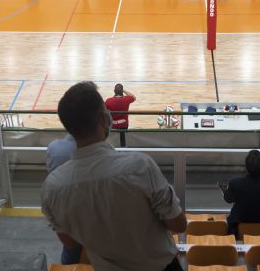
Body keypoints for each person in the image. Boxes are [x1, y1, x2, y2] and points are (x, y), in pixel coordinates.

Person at [41, 82, 186, 271]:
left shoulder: (51, 188)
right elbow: (178, 224)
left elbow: (69, 242)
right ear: (104, 118)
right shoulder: (140, 166)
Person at [219, 150, 260, 236]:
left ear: (247, 166)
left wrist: (225, 191)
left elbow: (228, 199)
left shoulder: (235, 183)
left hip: (238, 226)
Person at [45, 132, 79, 264]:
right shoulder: (106, 154)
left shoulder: (54, 148)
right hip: (94, 221)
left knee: (71, 251)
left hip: (65, 217)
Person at [104, 83, 136, 148]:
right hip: (124, 125)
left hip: (112, 125)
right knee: (122, 131)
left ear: (114, 91)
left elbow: (103, 110)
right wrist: (124, 90)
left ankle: (107, 146)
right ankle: (123, 146)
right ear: (122, 91)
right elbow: (133, 97)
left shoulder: (108, 100)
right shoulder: (126, 99)